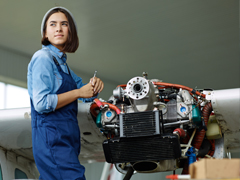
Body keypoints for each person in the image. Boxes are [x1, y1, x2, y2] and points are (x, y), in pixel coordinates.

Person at [27, 6, 104, 180]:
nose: (59, 28)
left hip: (66, 142)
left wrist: (94, 86)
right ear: (45, 33)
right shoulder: (43, 58)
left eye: (64, 24)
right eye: (53, 24)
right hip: (52, 141)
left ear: (71, 31)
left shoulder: (63, 65)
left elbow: (87, 93)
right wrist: (78, 92)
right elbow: (42, 103)